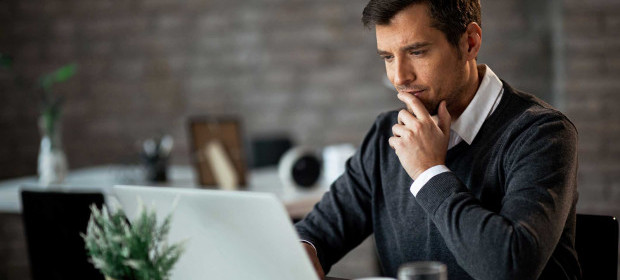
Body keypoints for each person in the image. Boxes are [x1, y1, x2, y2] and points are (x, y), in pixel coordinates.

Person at [295, 0, 581, 279]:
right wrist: (302, 250)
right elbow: (317, 232)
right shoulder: (388, 133)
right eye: (388, 57)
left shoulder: (542, 133)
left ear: (470, 42)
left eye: (417, 52)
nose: (399, 77)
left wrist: (428, 172)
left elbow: (509, 266)